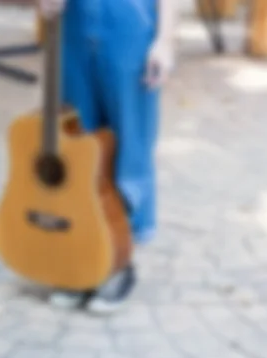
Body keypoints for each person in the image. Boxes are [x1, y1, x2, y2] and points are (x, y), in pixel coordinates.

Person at [37, 0, 177, 314]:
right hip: (75, 26)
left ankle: (119, 261)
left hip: (129, 26)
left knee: (131, 146)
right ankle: (83, 255)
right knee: (77, 142)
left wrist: (165, 40)